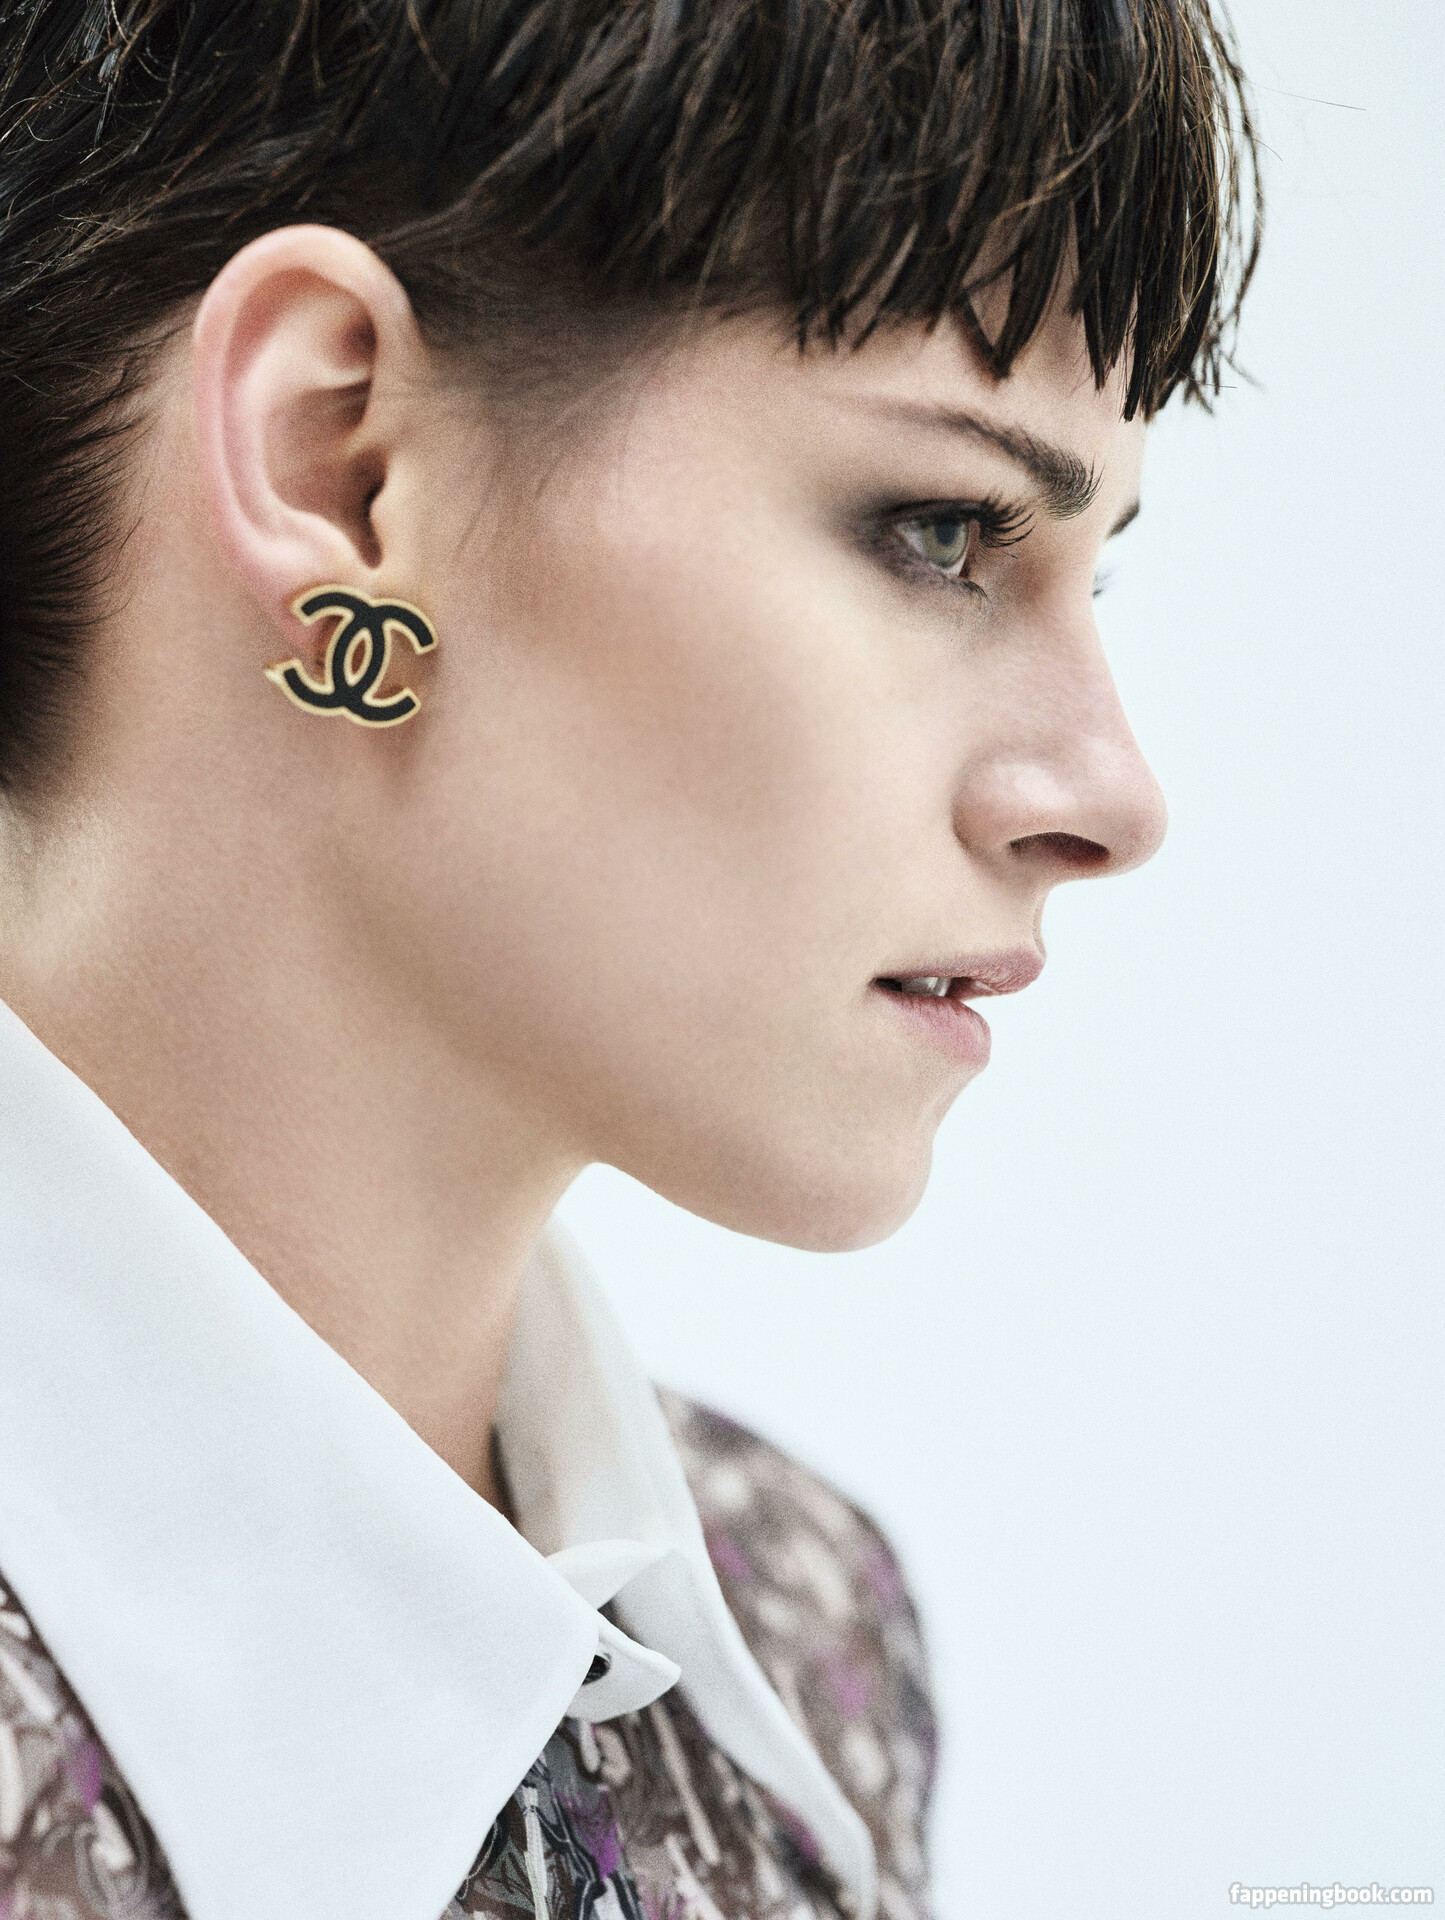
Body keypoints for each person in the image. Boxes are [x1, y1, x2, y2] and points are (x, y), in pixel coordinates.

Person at [0, 2, 1260, 1917]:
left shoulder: (812, 1641)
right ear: (341, 463)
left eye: (1097, 577)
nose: (1110, 793)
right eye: (942, 530)